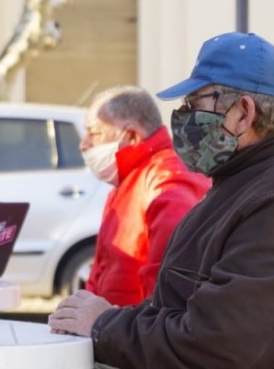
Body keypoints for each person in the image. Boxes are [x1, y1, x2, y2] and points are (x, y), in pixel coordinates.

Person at [49, 32, 274, 369]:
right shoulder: (246, 181)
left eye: (195, 104)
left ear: (243, 113)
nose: (182, 116)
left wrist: (105, 325)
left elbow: (220, 349)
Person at [80, 86, 210, 307]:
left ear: (131, 135)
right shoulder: (128, 181)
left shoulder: (166, 179)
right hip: (116, 330)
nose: (84, 144)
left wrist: (136, 331)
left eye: (94, 132)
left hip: (135, 334)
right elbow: (102, 269)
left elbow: (169, 291)